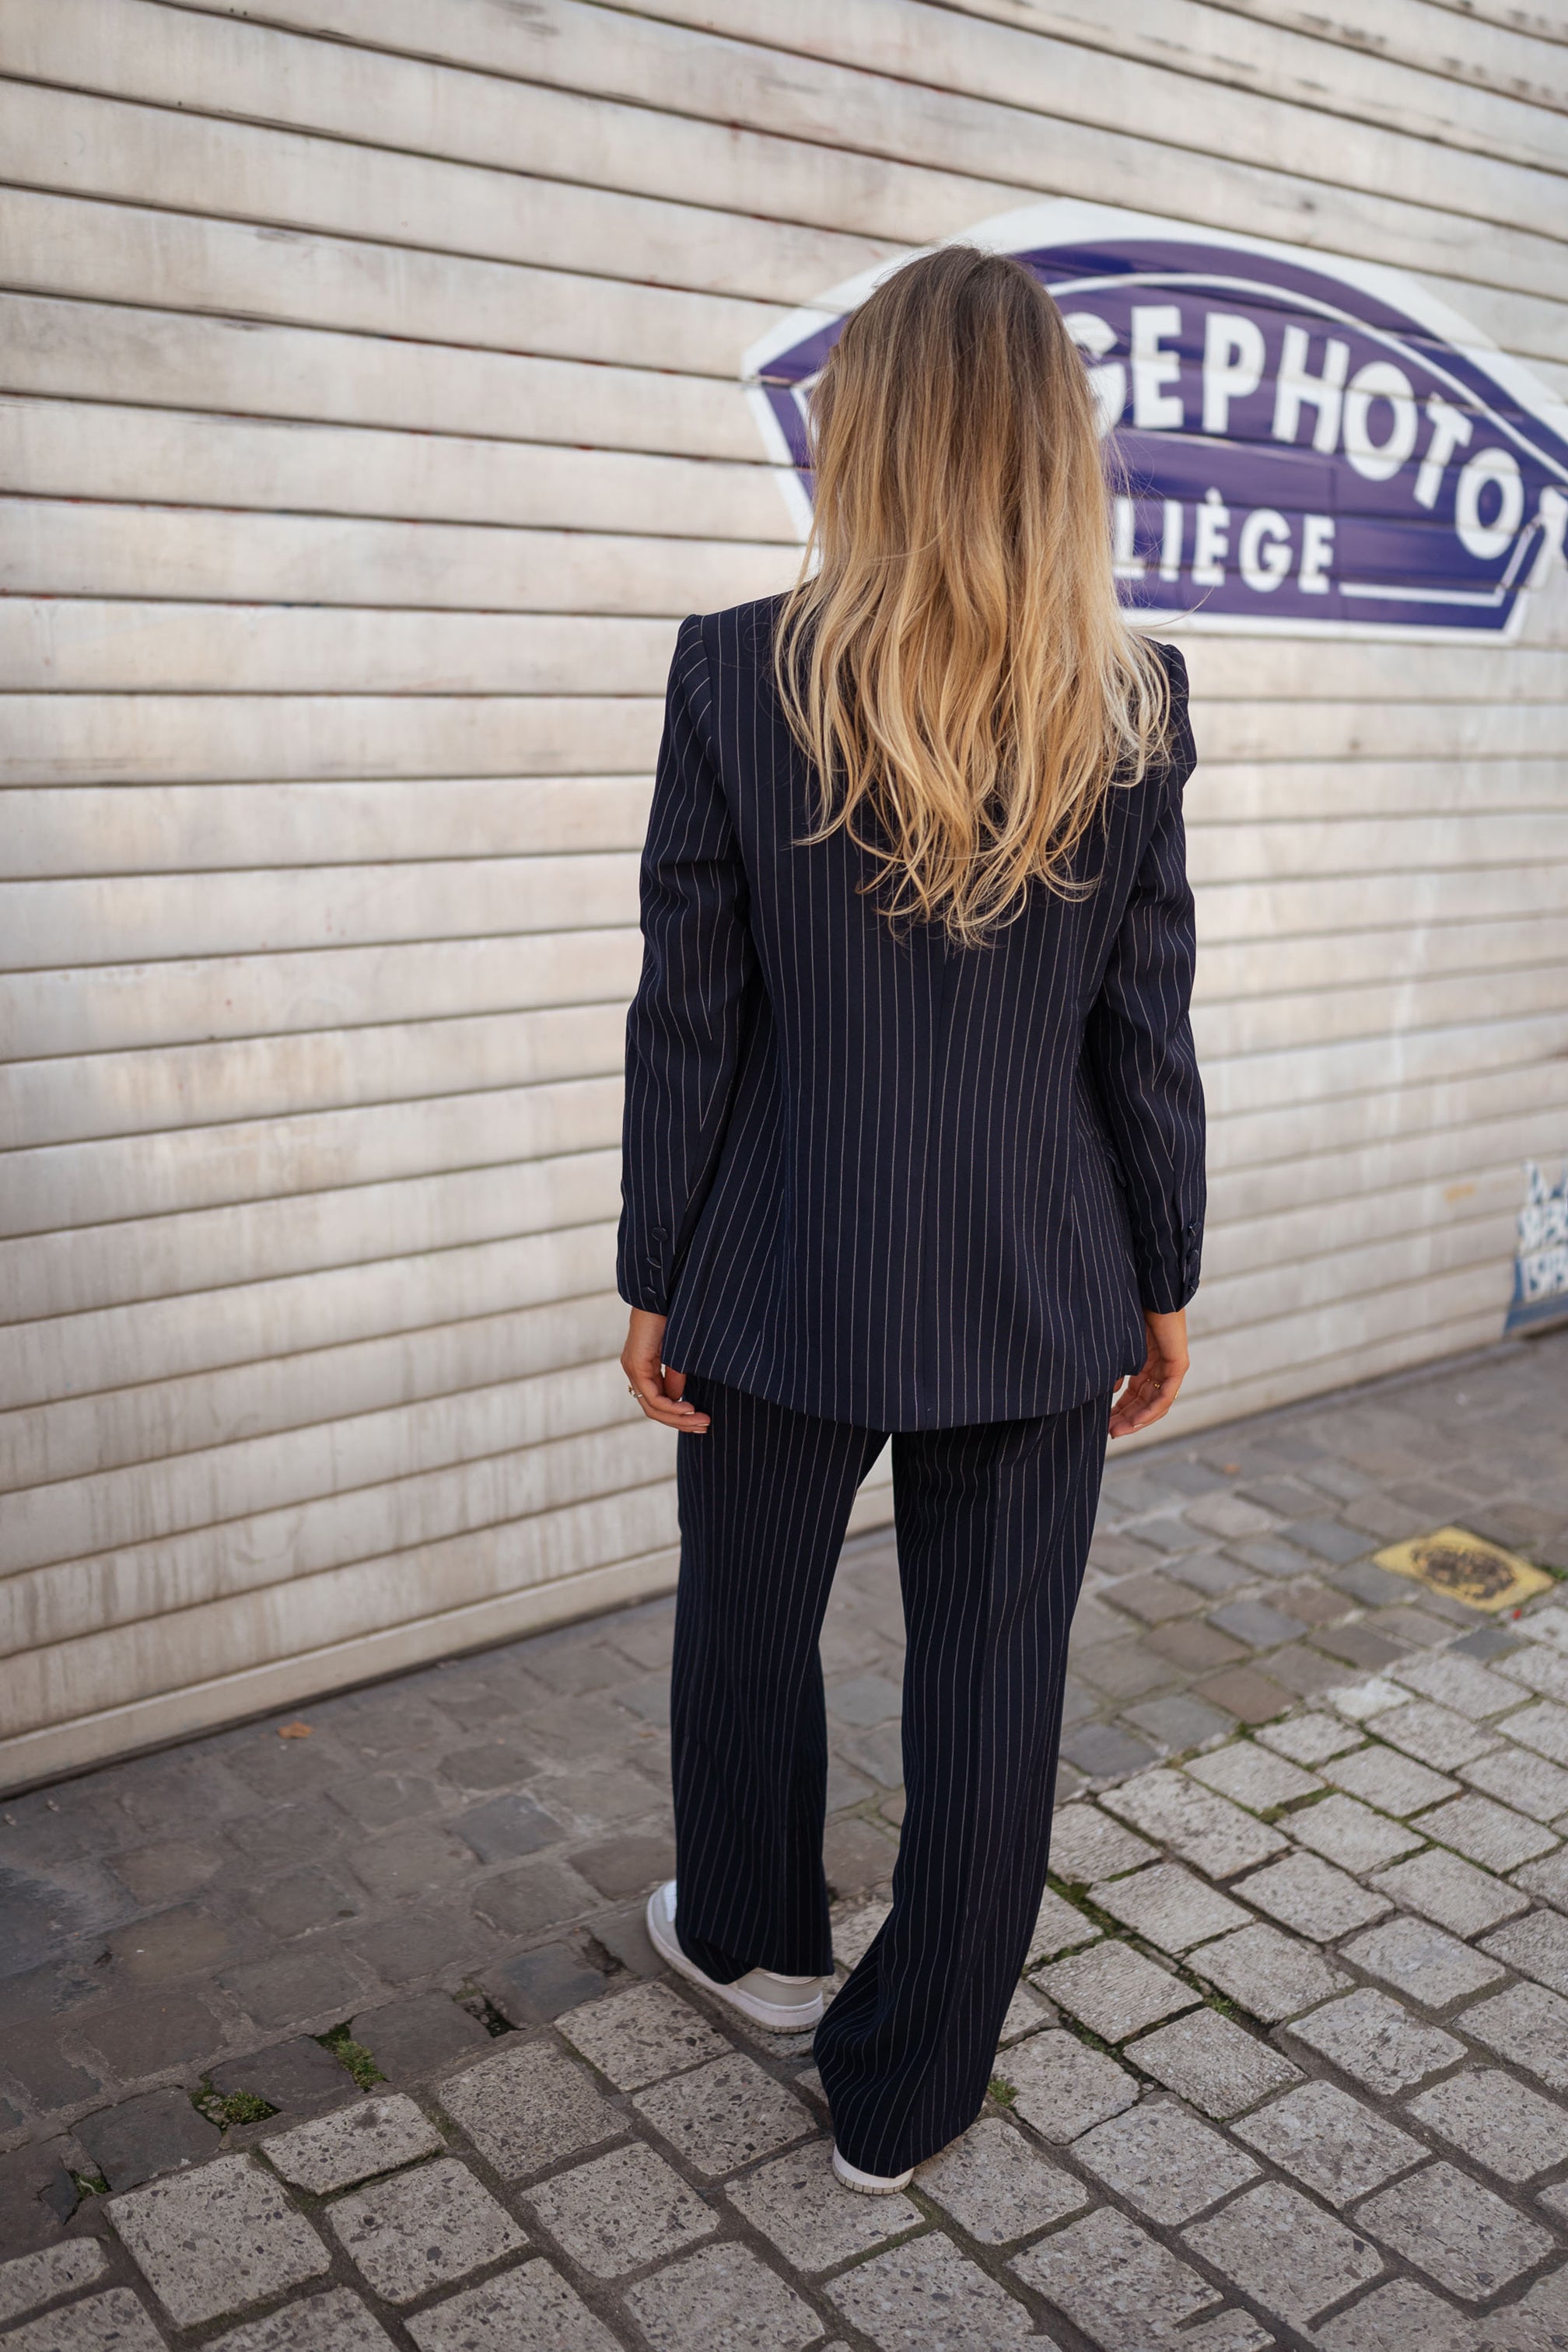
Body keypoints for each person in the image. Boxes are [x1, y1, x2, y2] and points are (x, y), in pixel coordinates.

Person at [617, 245, 1204, 2193]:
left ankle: (760, 1943)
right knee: (992, 1675)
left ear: (860, 436)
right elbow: (1145, 1022)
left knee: (748, 1618)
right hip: (1045, 1280)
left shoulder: (734, 668)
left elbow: (691, 1009)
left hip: (784, 1267)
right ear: (1061, 448)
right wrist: (1163, 1271)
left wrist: (654, 1267)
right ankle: (910, 2089)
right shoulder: (1132, 698)